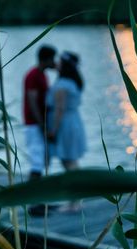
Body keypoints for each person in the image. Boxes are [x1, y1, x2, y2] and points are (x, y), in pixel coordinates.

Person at [46, 51, 87, 171]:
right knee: (69, 160)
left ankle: (80, 187)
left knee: (68, 160)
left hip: (65, 124)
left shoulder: (62, 85)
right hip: (73, 121)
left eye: (60, 62)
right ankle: (78, 186)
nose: (57, 63)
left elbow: (60, 109)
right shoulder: (72, 82)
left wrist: (53, 130)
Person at [23, 45, 56, 180]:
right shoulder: (33, 75)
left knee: (42, 159)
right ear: (46, 59)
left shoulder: (42, 74)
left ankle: (38, 198)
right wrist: (41, 123)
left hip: (39, 123)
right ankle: (34, 197)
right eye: (52, 59)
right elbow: (32, 101)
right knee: (37, 161)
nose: (54, 61)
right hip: (33, 123)